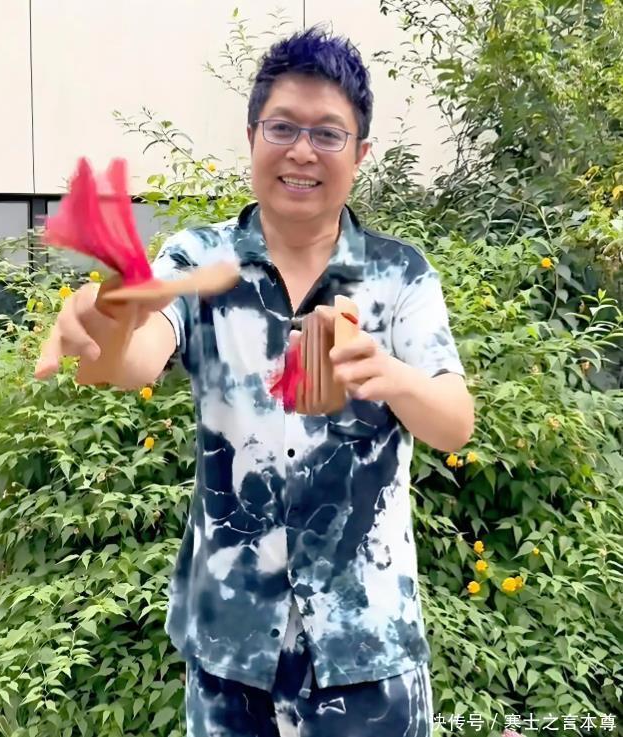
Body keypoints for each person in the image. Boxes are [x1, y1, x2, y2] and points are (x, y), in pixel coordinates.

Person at [35, 26, 474, 737]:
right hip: (230, 652)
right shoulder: (199, 260)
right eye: (282, 127)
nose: (302, 151)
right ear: (251, 137)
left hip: (367, 649)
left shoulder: (400, 275)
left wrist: (389, 374)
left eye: (327, 134)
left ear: (360, 154)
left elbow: (454, 422)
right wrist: (104, 317)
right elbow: (132, 360)